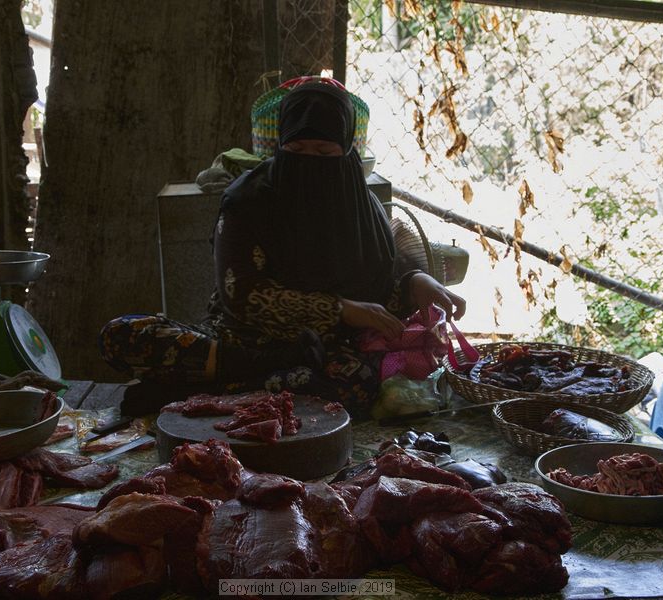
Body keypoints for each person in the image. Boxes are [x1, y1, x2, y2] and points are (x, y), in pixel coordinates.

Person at [99, 80, 465, 417]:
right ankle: (254, 371)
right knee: (122, 336)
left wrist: (416, 283)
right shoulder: (248, 200)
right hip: (239, 339)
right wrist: (338, 309)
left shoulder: (361, 207)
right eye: (297, 150)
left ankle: (209, 387)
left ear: (347, 151)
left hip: (327, 350)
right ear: (280, 146)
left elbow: (381, 294)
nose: (309, 162)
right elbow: (241, 296)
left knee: (357, 386)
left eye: (323, 153)